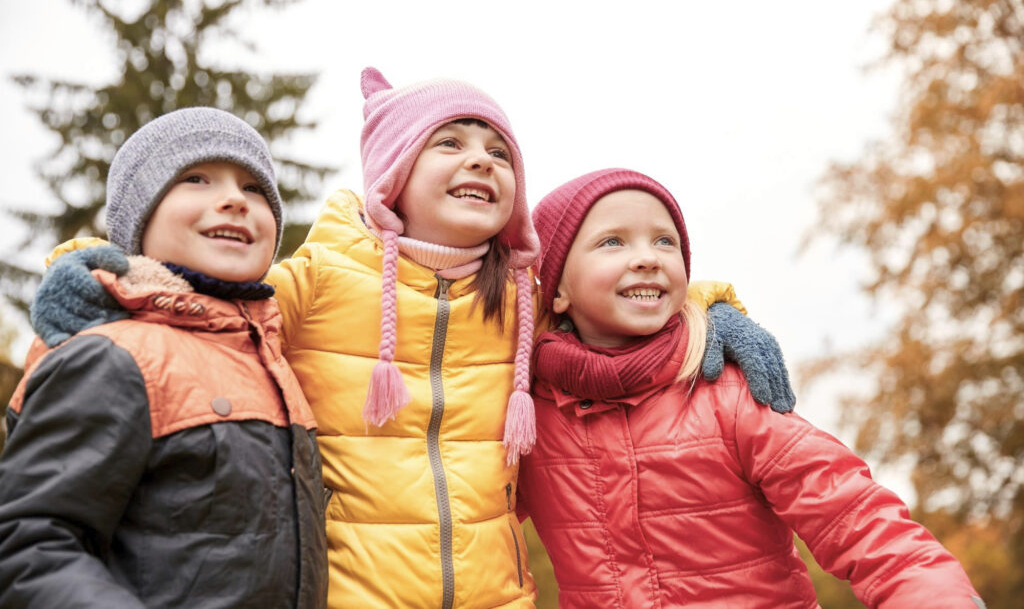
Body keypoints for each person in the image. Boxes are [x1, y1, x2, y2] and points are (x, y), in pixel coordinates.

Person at [26, 70, 793, 608]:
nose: (480, 162)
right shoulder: (319, 278)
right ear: (392, 174)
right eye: (451, 143)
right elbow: (201, 309)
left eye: (499, 152)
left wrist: (713, 309)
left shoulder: (520, 300)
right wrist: (84, 271)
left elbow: (622, 293)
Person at [518, 168, 984, 609]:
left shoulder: (727, 392)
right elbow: (460, 515)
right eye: (612, 241)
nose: (647, 256)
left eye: (666, 241)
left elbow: (852, 514)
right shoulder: (530, 417)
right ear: (558, 290)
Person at [0, 108, 328, 608]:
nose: (233, 200)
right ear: (140, 217)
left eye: (253, 188)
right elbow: (28, 545)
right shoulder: (113, 353)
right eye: (195, 178)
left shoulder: (274, 365)